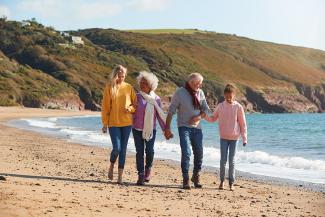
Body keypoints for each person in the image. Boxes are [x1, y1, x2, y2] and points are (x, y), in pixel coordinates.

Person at [165, 73, 210, 190]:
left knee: (199, 153)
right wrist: (167, 128)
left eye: (200, 83)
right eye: (197, 83)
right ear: (190, 82)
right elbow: (171, 111)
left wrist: (198, 117)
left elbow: (205, 110)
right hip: (183, 127)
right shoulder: (180, 92)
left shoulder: (200, 93)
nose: (199, 85)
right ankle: (185, 179)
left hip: (197, 128)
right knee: (186, 152)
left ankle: (196, 176)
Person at [205, 84, 247, 191]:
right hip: (223, 137)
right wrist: (204, 116)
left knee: (232, 160)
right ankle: (222, 181)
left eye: (230, 96)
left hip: (234, 138)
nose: (229, 98)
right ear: (224, 95)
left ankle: (231, 183)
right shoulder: (220, 106)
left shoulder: (238, 107)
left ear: (234, 95)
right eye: (227, 96)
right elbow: (213, 118)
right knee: (223, 160)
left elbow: (242, 124)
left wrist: (244, 137)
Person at [101, 65, 137, 184]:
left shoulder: (129, 87)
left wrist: (130, 109)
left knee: (123, 150)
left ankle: (120, 177)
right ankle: (111, 166)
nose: (122, 78)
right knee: (117, 148)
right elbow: (105, 107)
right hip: (113, 123)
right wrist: (105, 124)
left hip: (127, 123)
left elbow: (135, 104)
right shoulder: (109, 87)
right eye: (120, 76)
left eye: (124, 76)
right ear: (115, 75)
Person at [132, 71, 169, 185]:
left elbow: (159, 115)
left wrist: (165, 129)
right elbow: (131, 111)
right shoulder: (136, 97)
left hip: (150, 129)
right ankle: (141, 174)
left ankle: (148, 169)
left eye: (145, 83)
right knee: (139, 152)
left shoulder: (156, 99)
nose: (142, 85)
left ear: (151, 85)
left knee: (149, 151)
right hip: (137, 129)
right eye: (141, 82)